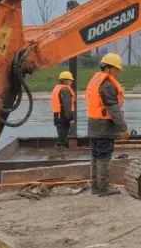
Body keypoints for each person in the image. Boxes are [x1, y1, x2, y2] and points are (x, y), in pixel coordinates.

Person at [85, 52, 129, 197]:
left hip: (93, 125)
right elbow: (114, 108)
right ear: (109, 68)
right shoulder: (108, 84)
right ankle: (103, 188)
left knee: (95, 156)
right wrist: (123, 128)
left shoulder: (95, 81)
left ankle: (96, 187)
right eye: (117, 70)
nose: (118, 73)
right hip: (104, 127)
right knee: (104, 156)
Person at [50, 70, 76, 152]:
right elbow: (67, 106)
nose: (71, 82)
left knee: (61, 133)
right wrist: (70, 118)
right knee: (63, 134)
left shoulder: (57, 88)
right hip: (63, 116)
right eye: (70, 80)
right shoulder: (65, 90)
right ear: (65, 80)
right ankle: (59, 150)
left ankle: (60, 149)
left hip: (57, 115)